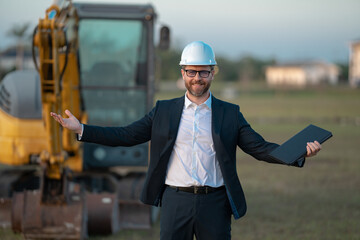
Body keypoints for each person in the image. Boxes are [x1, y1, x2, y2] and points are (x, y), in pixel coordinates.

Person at [50, 41, 321, 240]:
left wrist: (299, 152)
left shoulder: (230, 114)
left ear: (213, 72)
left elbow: (260, 148)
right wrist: (82, 128)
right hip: (174, 201)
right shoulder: (164, 110)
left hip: (215, 204)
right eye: (191, 72)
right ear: (183, 73)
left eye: (203, 72)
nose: (197, 78)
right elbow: (127, 135)